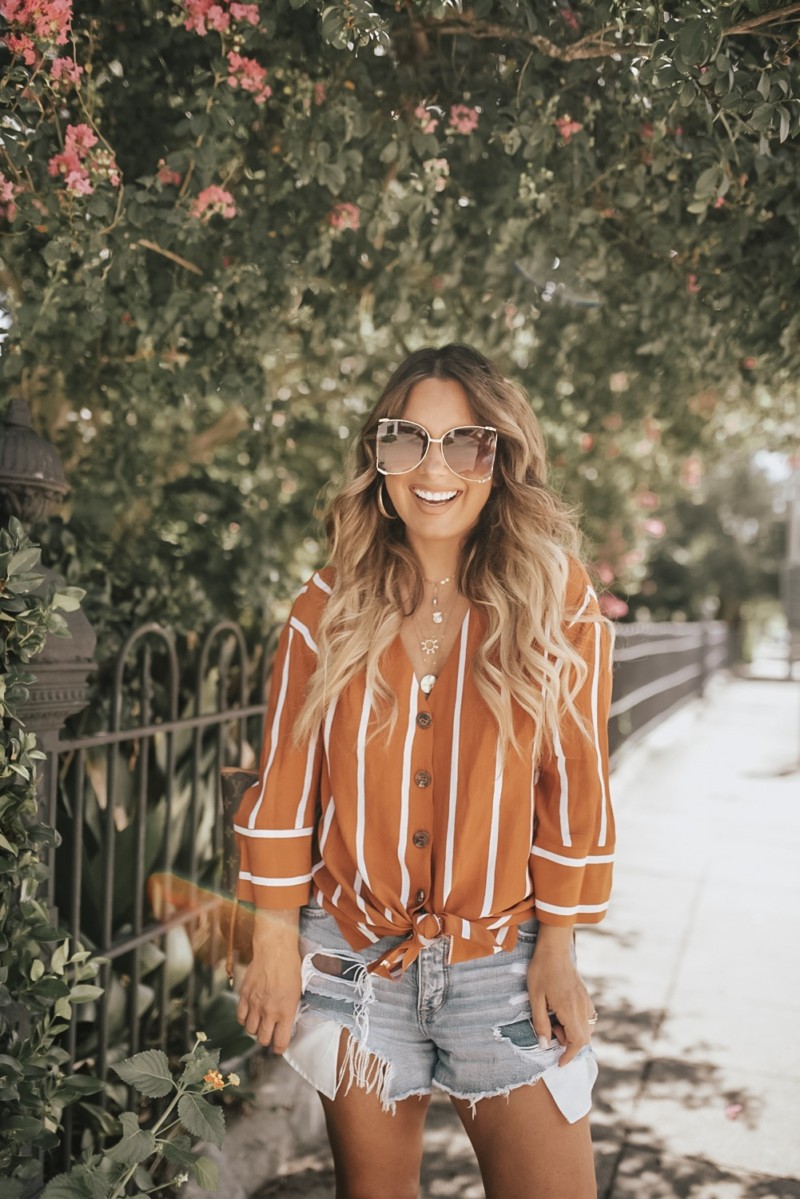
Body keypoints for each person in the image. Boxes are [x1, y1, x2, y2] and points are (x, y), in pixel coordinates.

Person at [234, 344, 614, 1199]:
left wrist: (558, 946)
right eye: (407, 440)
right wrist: (271, 937)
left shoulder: (559, 599)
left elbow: (575, 785)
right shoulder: (325, 606)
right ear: (379, 458)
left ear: (498, 457)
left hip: (503, 962)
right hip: (353, 961)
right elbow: (286, 781)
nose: (433, 466)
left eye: (463, 442)